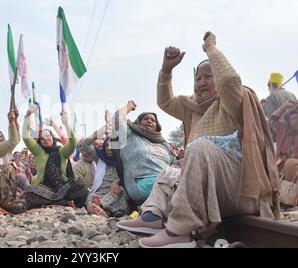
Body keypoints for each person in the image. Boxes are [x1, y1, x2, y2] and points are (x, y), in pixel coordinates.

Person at [117, 32, 280, 248]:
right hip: (211, 189)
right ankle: (152, 217)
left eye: (208, 76)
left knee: (199, 147)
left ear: (218, 78)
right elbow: (165, 101)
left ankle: (179, 232)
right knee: (170, 171)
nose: (201, 82)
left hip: (241, 189)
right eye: (198, 78)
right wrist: (166, 70)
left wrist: (211, 49)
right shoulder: (192, 108)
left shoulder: (232, 100)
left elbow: (230, 81)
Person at [23, 105, 88, 209]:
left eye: (47, 136)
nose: (45, 139)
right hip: (45, 189)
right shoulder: (38, 152)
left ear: (52, 137)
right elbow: (26, 138)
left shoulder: (62, 151)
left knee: (81, 186)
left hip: (63, 188)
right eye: (42, 138)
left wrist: (66, 123)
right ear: (39, 141)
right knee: (30, 191)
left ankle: (62, 203)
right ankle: (60, 202)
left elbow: (73, 142)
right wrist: (27, 116)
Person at [111, 102, 175, 206]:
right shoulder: (129, 135)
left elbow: (176, 163)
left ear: (157, 126)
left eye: (153, 120)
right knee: (178, 183)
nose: (149, 121)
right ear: (138, 122)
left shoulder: (164, 145)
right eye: (146, 119)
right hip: (141, 184)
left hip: (166, 180)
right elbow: (117, 119)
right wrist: (129, 107)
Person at [84, 126, 130, 218]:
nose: (109, 148)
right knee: (91, 197)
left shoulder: (125, 160)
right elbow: (85, 144)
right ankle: (102, 210)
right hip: (100, 192)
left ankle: (100, 208)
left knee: (117, 194)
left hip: (118, 192)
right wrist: (104, 128)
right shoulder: (100, 158)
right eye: (106, 145)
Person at [269, 101, 298, 206]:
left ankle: (292, 198)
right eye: (293, 119)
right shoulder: (284, 133)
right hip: (282, 171)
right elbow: (272, 122)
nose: (296, 121)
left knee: (291, 163)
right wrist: (284, 106)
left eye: (297, 118)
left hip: (294, 170)